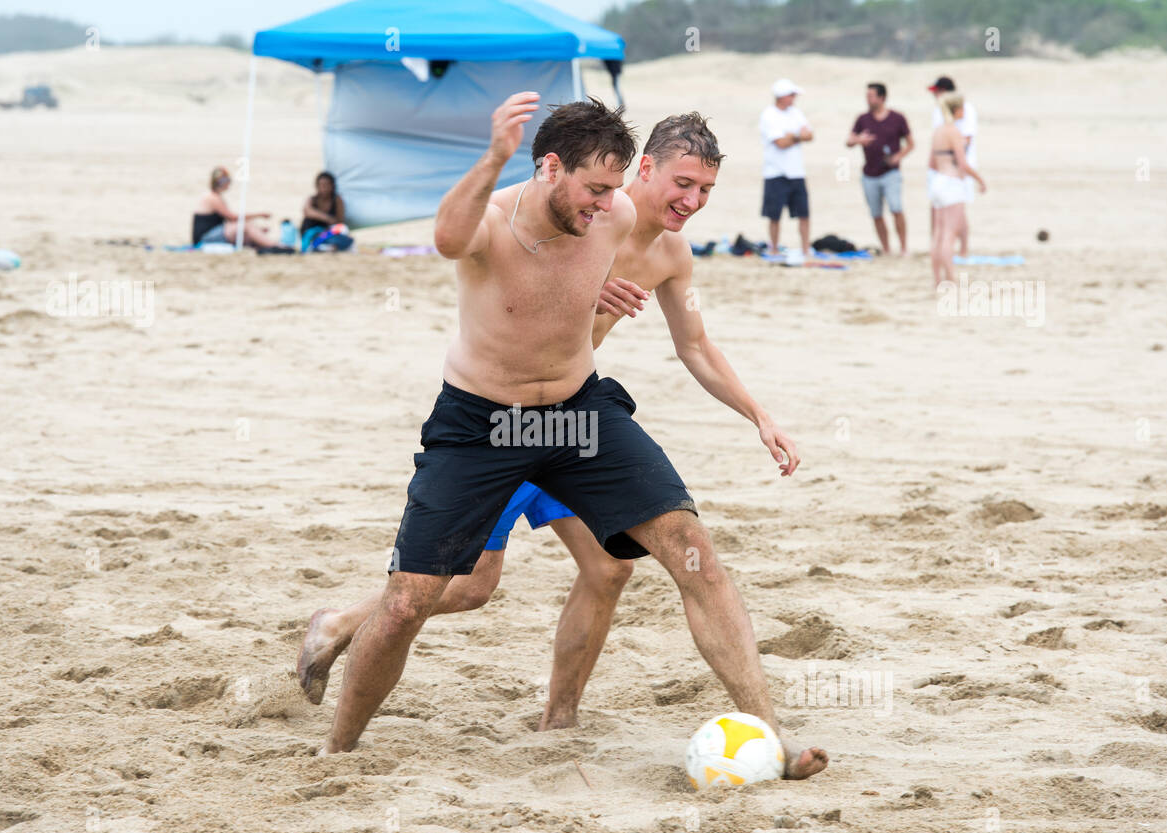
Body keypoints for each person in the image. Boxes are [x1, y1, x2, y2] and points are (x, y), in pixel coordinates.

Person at [304, 92, 827, 779]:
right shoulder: (503, 221)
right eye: (682, 184)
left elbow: (683, 327)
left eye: (706, 189)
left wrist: (759, 413)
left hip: (579, 415)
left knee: (682, 549)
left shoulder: (632, 224)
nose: (612, 204)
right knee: (425, 597)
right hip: (483, 424)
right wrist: (496, 156)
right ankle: (339, 732)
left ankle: (768, 736)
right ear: (554, 169)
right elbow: (449, 239)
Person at [846, 83, 913, 255]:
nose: (868, 99)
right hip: (869, 174)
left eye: (871, 96)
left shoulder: (897, 118)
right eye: (867, 96)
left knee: (896, 208)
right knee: (876, 213)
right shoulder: (862, 119)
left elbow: (911, 143)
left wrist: (898, 156)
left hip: (891, 172)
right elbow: (849, 141)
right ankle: (886, 249)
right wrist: (859, 140)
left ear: (882, 97)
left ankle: (904, 248)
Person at [929, 93, 987, 287]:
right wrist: (980, 180)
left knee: (937, 233)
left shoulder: (938, 131)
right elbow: (963, 163)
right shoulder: (953, 132)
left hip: (937, 182)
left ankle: (937, 280)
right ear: (957, 110)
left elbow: (932, 163)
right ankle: (950, 278)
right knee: (949, 234)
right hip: (951, 184)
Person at [759, 78, 813, 257]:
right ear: (782, 96)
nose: (794, 98)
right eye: (791, 95)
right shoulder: (769, 115)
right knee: (774, 215)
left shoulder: (796, 112)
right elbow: (780, 143)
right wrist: (797, 136)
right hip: (775, 173)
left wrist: (793, 136)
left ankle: (805, 249)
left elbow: (810, 134)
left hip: (796, 172)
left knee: (804, 213)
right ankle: (773, 248)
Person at [928, 76, 979, 255]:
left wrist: (956, 166)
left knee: (956, 212)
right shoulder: (941, 114)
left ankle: (963, 249)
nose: (935, 96)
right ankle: (945, 251)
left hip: (953, 168)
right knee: (945, 216)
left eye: (937, 92)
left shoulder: (965, 110)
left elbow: (967, 141)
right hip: (947, 170)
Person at [191, 166, 286, 249]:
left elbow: (230, 221)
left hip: (212, 233)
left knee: (246, 231)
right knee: (245, 226)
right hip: (205, 238)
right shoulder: (212, 198)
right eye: (226, 181)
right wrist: (259, 215)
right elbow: (233, 217)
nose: (228, 183)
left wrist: (257, 230)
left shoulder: (215, 196)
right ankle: (276, 245)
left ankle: (269, 244)